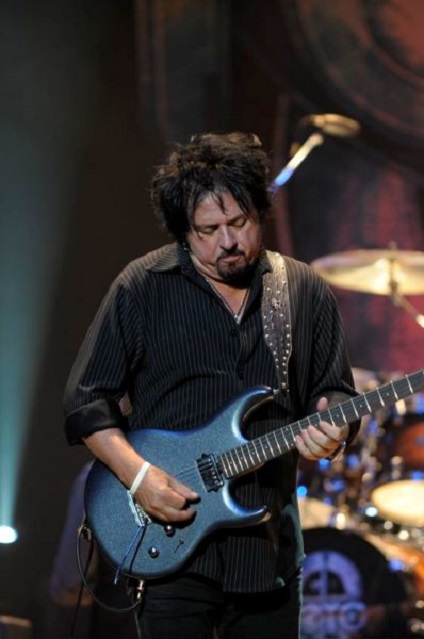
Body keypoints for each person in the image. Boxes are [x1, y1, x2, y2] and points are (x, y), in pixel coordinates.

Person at [63, 131, 360, 639]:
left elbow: (336, 393)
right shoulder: (143, 285)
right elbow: (86, 400)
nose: (228, 241)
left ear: (260, 213)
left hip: (267, 554)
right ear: (184, 230)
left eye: (239, 222)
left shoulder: (302, 290)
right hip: (170, 546)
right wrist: (139, 478)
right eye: (209, 229)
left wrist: (334, 432)